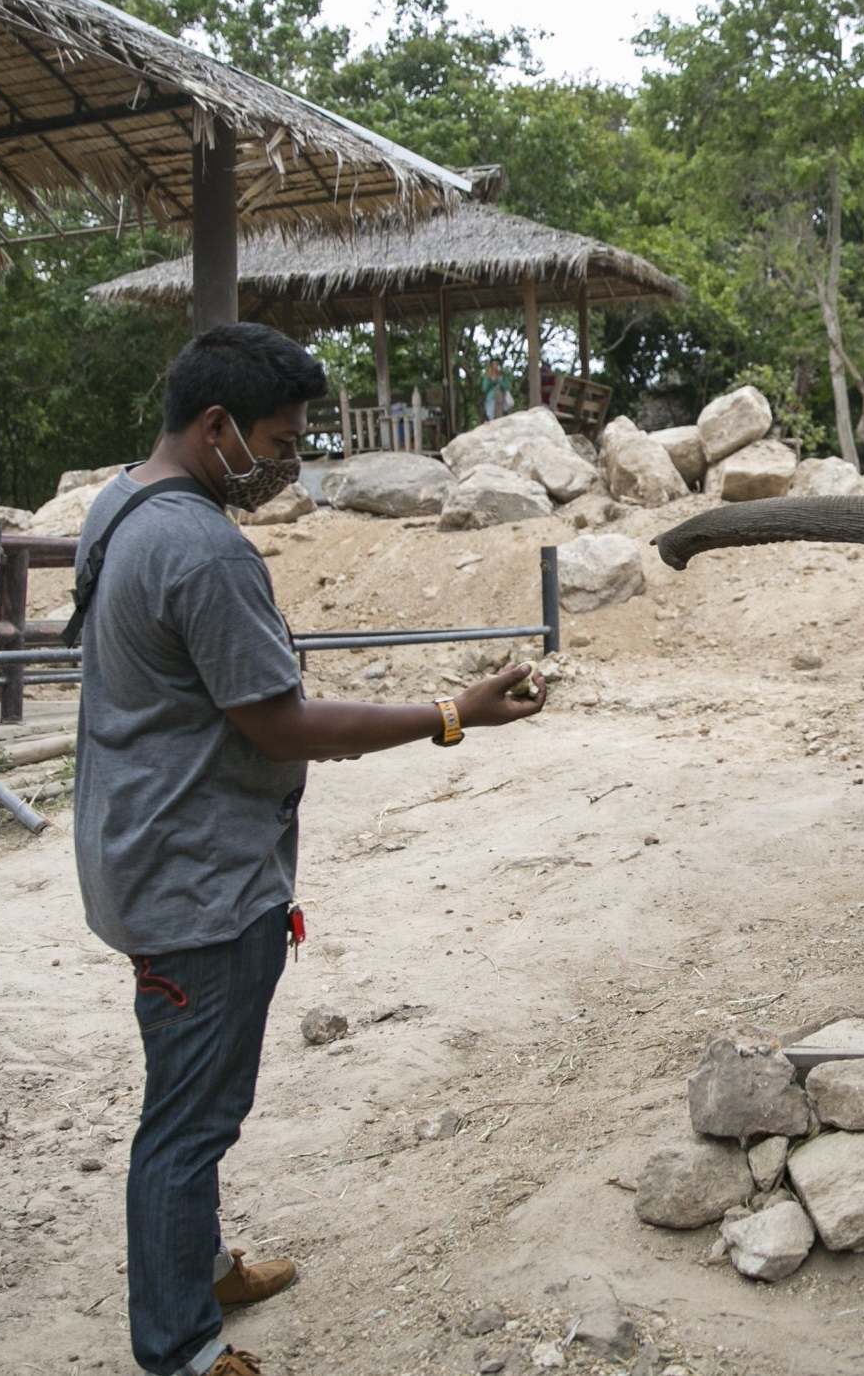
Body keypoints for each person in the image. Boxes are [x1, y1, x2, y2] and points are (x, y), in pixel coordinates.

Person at [71, 322, 548, 1376]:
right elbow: (279, 723)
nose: (289, 465)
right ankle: (183, 1350)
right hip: (198, 881)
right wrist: (448, 713)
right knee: (189, 1124)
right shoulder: (201, 547)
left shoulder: (123, 503)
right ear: (215, 428)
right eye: (279, 444)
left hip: (146, 852)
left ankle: (199, 1264)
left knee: (187, 1099)